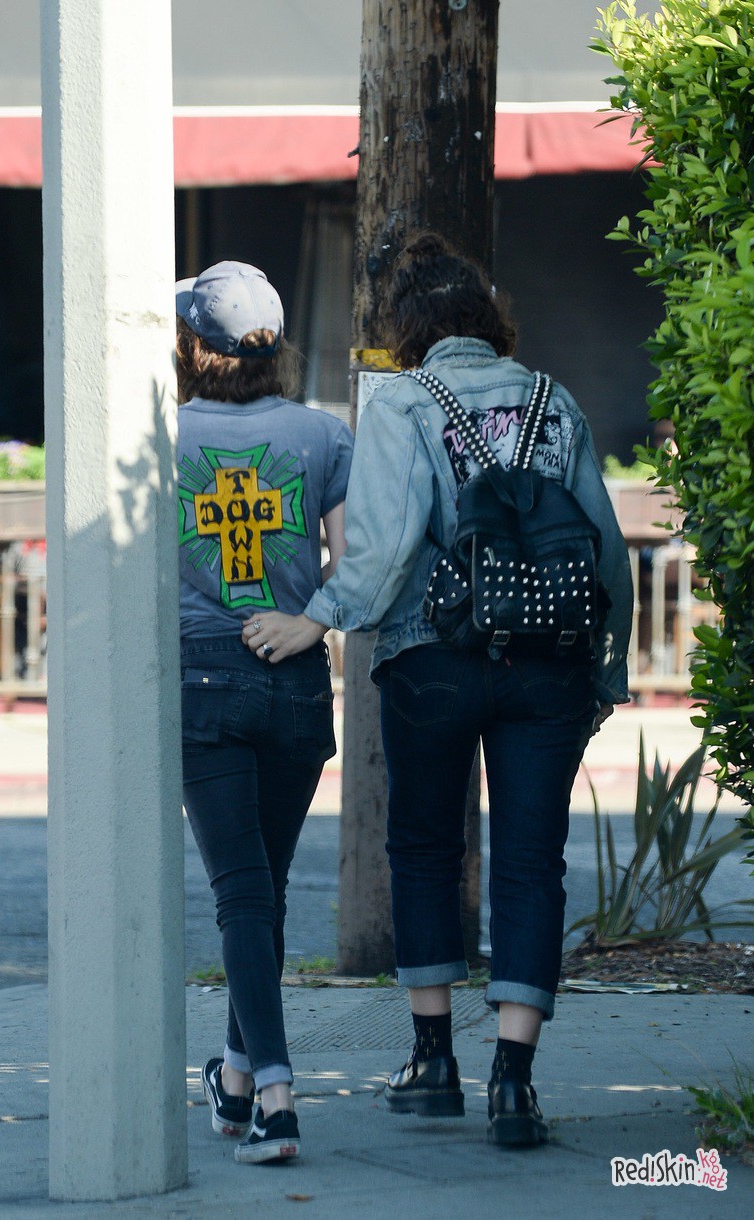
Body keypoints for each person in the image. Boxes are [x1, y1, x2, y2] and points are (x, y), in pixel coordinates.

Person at [241, 234, 633, 1146]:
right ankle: (515, 1082)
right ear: (491, 321)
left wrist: (318, 618)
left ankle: (432, 1063)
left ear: (407, 328)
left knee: (423, 847)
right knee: (533, 860)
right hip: (548, 664)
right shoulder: (555, 400)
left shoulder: (406, 401)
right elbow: (607, 552)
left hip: (432, 659)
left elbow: (381, 549)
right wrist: (604, 674)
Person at [175, 261, 353, 1163]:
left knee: (241, 893)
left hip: (203, 677)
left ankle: (277, 1101)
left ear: (192, 348)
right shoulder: (323, 434)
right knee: (263, 892)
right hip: (295, 675)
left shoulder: (161, 438)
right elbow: (357, 564)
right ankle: (239, 1080)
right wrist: (308, 622)